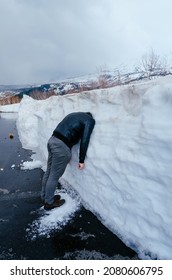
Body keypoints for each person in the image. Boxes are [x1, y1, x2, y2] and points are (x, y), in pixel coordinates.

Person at [41, 111, 95, 210]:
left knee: (49, 171)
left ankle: (45, 196)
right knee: (54, 175)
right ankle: (49, 202)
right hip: (61, 146)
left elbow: (68, 131)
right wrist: (81, 160)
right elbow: (85, 139)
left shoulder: (74, 115)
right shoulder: (89, 120)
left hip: (52, 140)